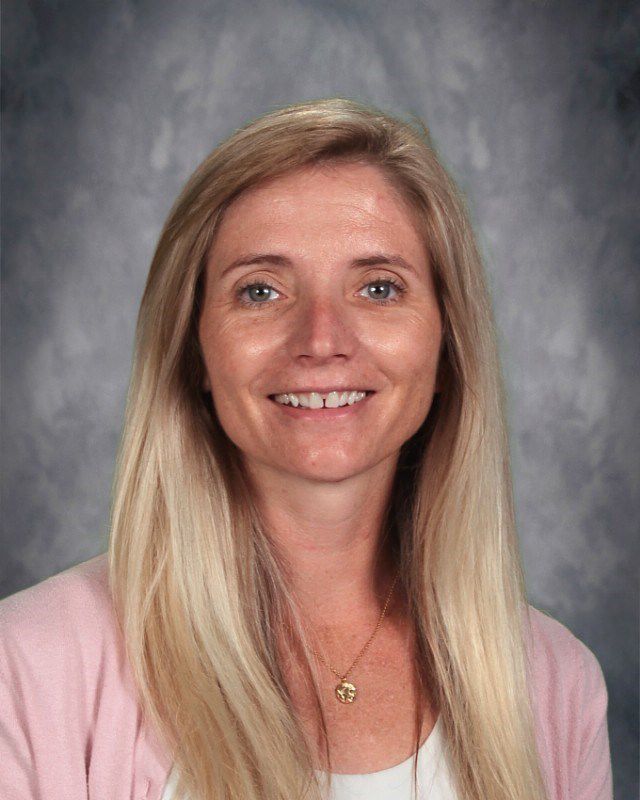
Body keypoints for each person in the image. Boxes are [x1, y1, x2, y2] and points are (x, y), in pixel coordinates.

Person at [0, 98, 613, 800]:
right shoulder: (25, 665)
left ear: (448, 346)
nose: (321, 340)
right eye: (260, 291)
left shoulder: (557, 683)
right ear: (194, 346)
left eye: (379, 288)